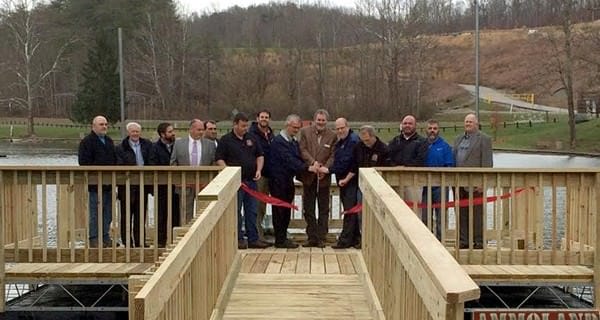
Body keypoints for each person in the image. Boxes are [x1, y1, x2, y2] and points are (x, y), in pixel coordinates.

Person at [216, 112, 269, 249]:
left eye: (246, 126)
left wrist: (259, 170)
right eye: (243, 126)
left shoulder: (251, 138)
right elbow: (219, 159)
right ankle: (238, 238)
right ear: (235, 124)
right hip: (236, 182)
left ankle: (253, 238)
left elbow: (260, 155)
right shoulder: (225, 140)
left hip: (251, 181)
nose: (245, 128)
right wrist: (228, 172)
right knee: (236, 211)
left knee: (252, 211)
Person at [268, 114, 319, 248]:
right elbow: (290, 161)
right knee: (279, 211)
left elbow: (298, 157)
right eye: (294, 127)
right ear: (287, 125)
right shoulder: (278, 142)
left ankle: (283, 237)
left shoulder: (293, 141)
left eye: (298, 128)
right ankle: (280, 240)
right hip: (278, 181)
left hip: (288, 180)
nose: (296, 130)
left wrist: (312, 164)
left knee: (286, 211)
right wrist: (308, 168)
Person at [453, 113, 493, 249]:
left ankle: (480, 242)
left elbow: (488, 163)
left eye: (470, 122)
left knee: (477, 213)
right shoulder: (458, 139)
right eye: (466, 122)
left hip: (476, 183)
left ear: (476, 124)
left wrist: (484, 183)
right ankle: (464, 241)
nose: (468, 124)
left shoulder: (484, 139)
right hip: (459, 183)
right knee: (461, 213)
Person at [299, 109, 337, 247]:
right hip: (309, 175)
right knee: (308, 208)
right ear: (314, 120)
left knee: (323, 209)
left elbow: (333, 154)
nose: (320, 122)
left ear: (326, 121)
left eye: (323, 120)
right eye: (318, 120)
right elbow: (302, 149)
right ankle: (311, 237)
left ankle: (321, 237)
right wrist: (312, 163)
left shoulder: (332, 135)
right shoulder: (304, 132)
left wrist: (325, 168)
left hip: (323, 177)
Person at [346, 125, 389, 249]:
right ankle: (364, 239)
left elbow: (387, 168)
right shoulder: (358, 147)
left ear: (373, 136)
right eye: (362, 140)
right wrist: (346, 179)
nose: (365, 143)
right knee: (361, 214)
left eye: (367, 140)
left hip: (379, 187)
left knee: (378, 214)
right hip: (362, 186)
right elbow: (354, 166)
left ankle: (378, 240)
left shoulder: (383, 149)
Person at [78, 115, 117, 248]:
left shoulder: (109, 141)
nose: (104, 126)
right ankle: (94, 238)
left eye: (106, 124)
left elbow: (114, 160)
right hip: (95, 185)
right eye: (101, 124)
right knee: (95, 212)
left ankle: (105, 236)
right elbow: (83, 163)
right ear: (93, 126)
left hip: (109, 183)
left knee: (108, 212)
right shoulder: (87, 142)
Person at [170, 119, 216, 224]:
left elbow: (213, 163)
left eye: (202, 130)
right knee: (185, 215)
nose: (201, 132)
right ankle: (185, 237)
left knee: (204, 214)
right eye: (199, 129)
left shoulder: (210, 144)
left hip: (204, 185)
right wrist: (178, 180)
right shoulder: (179, 144)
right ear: (191, 129)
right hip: (185, 185)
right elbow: (173, 162)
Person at [115, 122, 152, 247]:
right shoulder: (121, 148)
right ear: (128, 132)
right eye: (133, 131)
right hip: (127, 186)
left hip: (143, 185)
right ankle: (127, 242)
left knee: (141, 215)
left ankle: (140, 241)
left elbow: (151, 161)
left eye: (137, 131)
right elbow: (119, 165)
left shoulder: (147, 145)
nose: (135, 134)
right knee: (126, 215)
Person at [327, 118, 360, 249]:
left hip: (351, 181)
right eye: (337, 129)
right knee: (350, 210)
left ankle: (345, 241)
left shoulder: (352, 141)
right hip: (343, 181)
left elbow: (347, 162)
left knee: (349, 211)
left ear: (347, 126)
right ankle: (355, 238)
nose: (340, 131)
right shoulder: (341, 141)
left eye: (342, 128)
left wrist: (328, 170)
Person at [420, 119, 455, 241]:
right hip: (424, 185)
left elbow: (449, 165)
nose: (432, 131)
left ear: (438, 130)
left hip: (441, 186)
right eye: (430, 128)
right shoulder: (422, 144)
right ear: (426, 130)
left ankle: (440, 241)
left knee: (440, 216)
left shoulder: (445, 146)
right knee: (424, 216)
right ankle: (426, 241)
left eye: (434, 128)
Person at [148, 122, 180, 247]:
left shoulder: (177, 146)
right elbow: (152, 164)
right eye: (170, 131)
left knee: (176, 214)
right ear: (162, 134)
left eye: (173, 131)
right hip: (161, 186)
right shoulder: (155, 148)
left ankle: (175, 241)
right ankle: (161, 242)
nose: (173, 134)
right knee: (161, 214)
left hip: (176, 185)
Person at [387, 114, 428, 202]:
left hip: (413, 182)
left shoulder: (422, 141)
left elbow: (420, 160)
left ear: (415, 126)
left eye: (410, 123)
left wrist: (404, 167)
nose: (407, 125)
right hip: (396, 181)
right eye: (405, 123)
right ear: (401, 125)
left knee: (414, 211)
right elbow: (388, 157)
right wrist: (395, 167)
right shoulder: (395, 141)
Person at [248, 109, 274, 243]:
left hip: (271, 174)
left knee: (263, 206)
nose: (264, 119)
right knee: (257, 206)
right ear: (257, 118)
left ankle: (261, 233)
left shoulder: (270, 134)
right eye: (262, 117)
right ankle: (257, 236)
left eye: (267, 117)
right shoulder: (251, 134)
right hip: (259, 175)